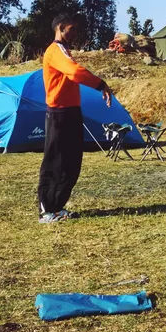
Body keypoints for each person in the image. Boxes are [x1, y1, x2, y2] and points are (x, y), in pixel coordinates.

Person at [38, 14, 114, 224]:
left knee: (71, 163)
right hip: (59, 113)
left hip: (71, 112)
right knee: (55, 162)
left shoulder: (65, 50)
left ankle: (58, 206)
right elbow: (73, 72)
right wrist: (100, 84)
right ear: (60, 28)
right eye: (72, 29)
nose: (75, 33)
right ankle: (46, 210)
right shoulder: (56, 50)